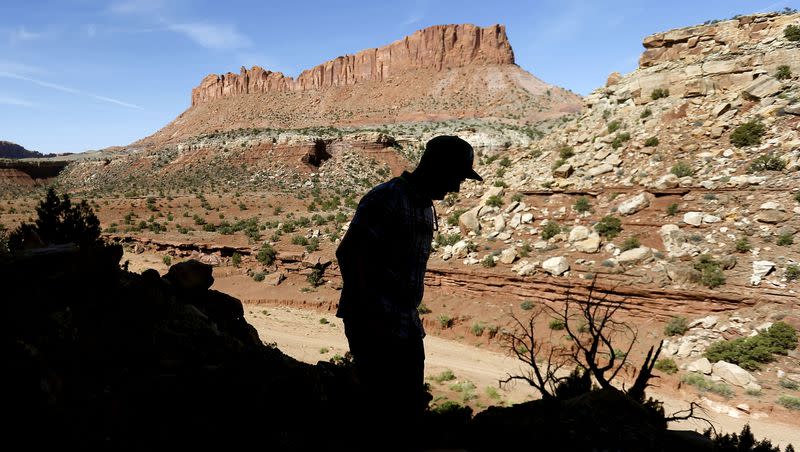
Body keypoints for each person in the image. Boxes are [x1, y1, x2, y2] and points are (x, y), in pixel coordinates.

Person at [335, 135, 482, 449]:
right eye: (456, 176)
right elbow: (350, 254)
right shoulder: (387, 198)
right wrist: (371, 315)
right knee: (384, 414)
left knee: (408, 408)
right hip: (375, 323)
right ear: (436, 167)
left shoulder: (425, 206)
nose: (456, 187)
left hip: (404, 322)